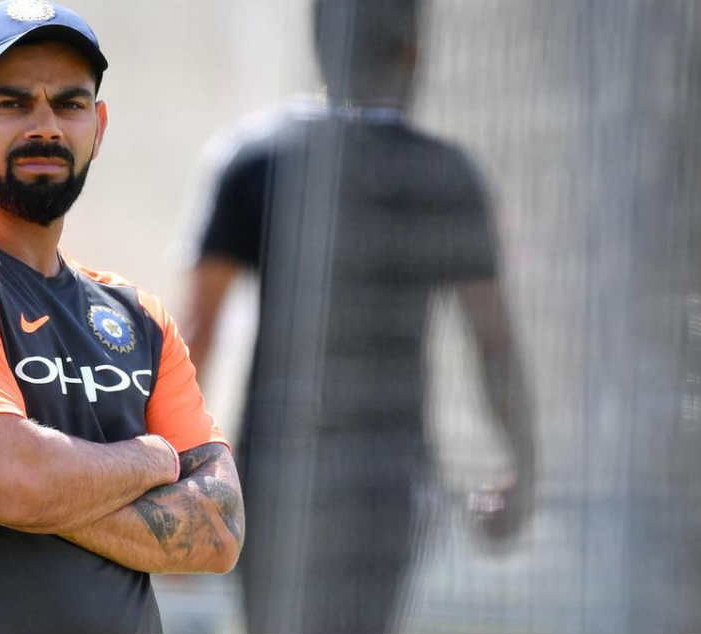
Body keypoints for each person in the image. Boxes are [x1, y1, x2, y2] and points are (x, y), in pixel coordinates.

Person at [0, 2, 244, 633]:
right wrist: (150, 461)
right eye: (10, 103)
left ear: (98, 126)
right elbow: (9, 478)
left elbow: (218, 532)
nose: (44, 126)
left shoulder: (138, 316)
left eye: (68, 103)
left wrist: (22, 487)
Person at [183, 1, 535, 631]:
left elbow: (197, 336)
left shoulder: (257, 160)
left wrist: (174, 479)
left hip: (279, 464)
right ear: (414, 52)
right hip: (390, 472)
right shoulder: (443, 175)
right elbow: (493, 342)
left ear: (318, 44)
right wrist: (523, 466)